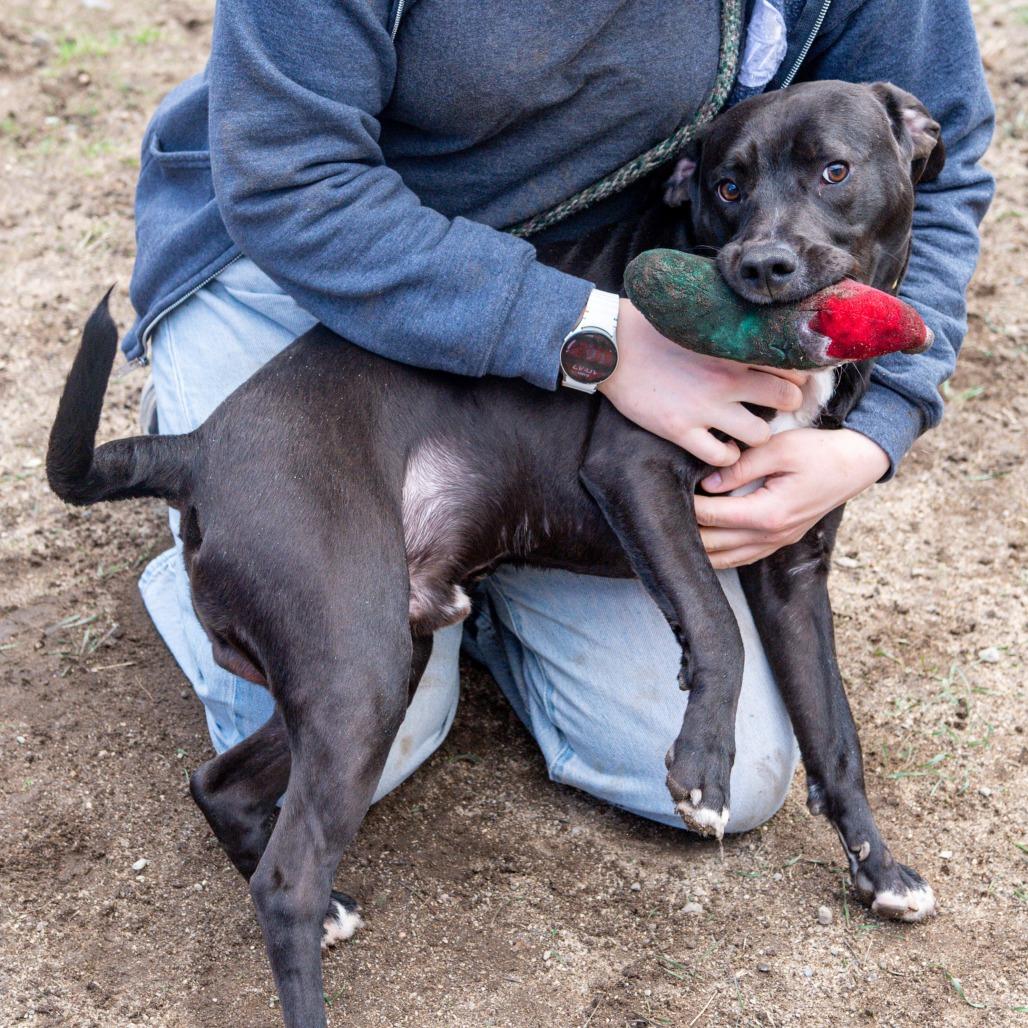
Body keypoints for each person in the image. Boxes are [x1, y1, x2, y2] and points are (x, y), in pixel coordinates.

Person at [127, 0, 993, 833]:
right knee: (359, 746)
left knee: (736, 773)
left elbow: (936, 180)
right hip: (316, 274)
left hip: (602, 275)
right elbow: (292, 183)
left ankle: (478, 547)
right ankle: (219, 487)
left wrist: (876, 432)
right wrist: (595, 340)